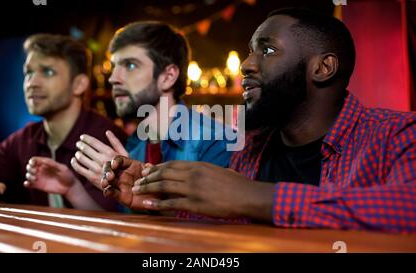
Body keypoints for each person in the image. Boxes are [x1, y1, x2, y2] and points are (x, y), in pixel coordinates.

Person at [102, 8, 416, 233]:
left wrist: (258, 197)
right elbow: (225, 230)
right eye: (250, 52)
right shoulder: (250, 146)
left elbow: (408, 208)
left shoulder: (396, 133)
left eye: (266, 50)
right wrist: (155, 199)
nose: (246, 65)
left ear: (323, 68)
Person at [69, 22, 235, 206]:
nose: (113, 78)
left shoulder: (215, 142)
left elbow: (222, 226)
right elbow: (127, 226)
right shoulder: (132, 145)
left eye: (130, 65)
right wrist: (71, 188)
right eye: (114, 66)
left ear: (168, 76)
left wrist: (155, 201)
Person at [0, 34, 126, 211]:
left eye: (48, 71)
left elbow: (113, 221)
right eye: (29, 72)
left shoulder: (105, 139)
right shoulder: (26, 138)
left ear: (79, 84)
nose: (32, 83)